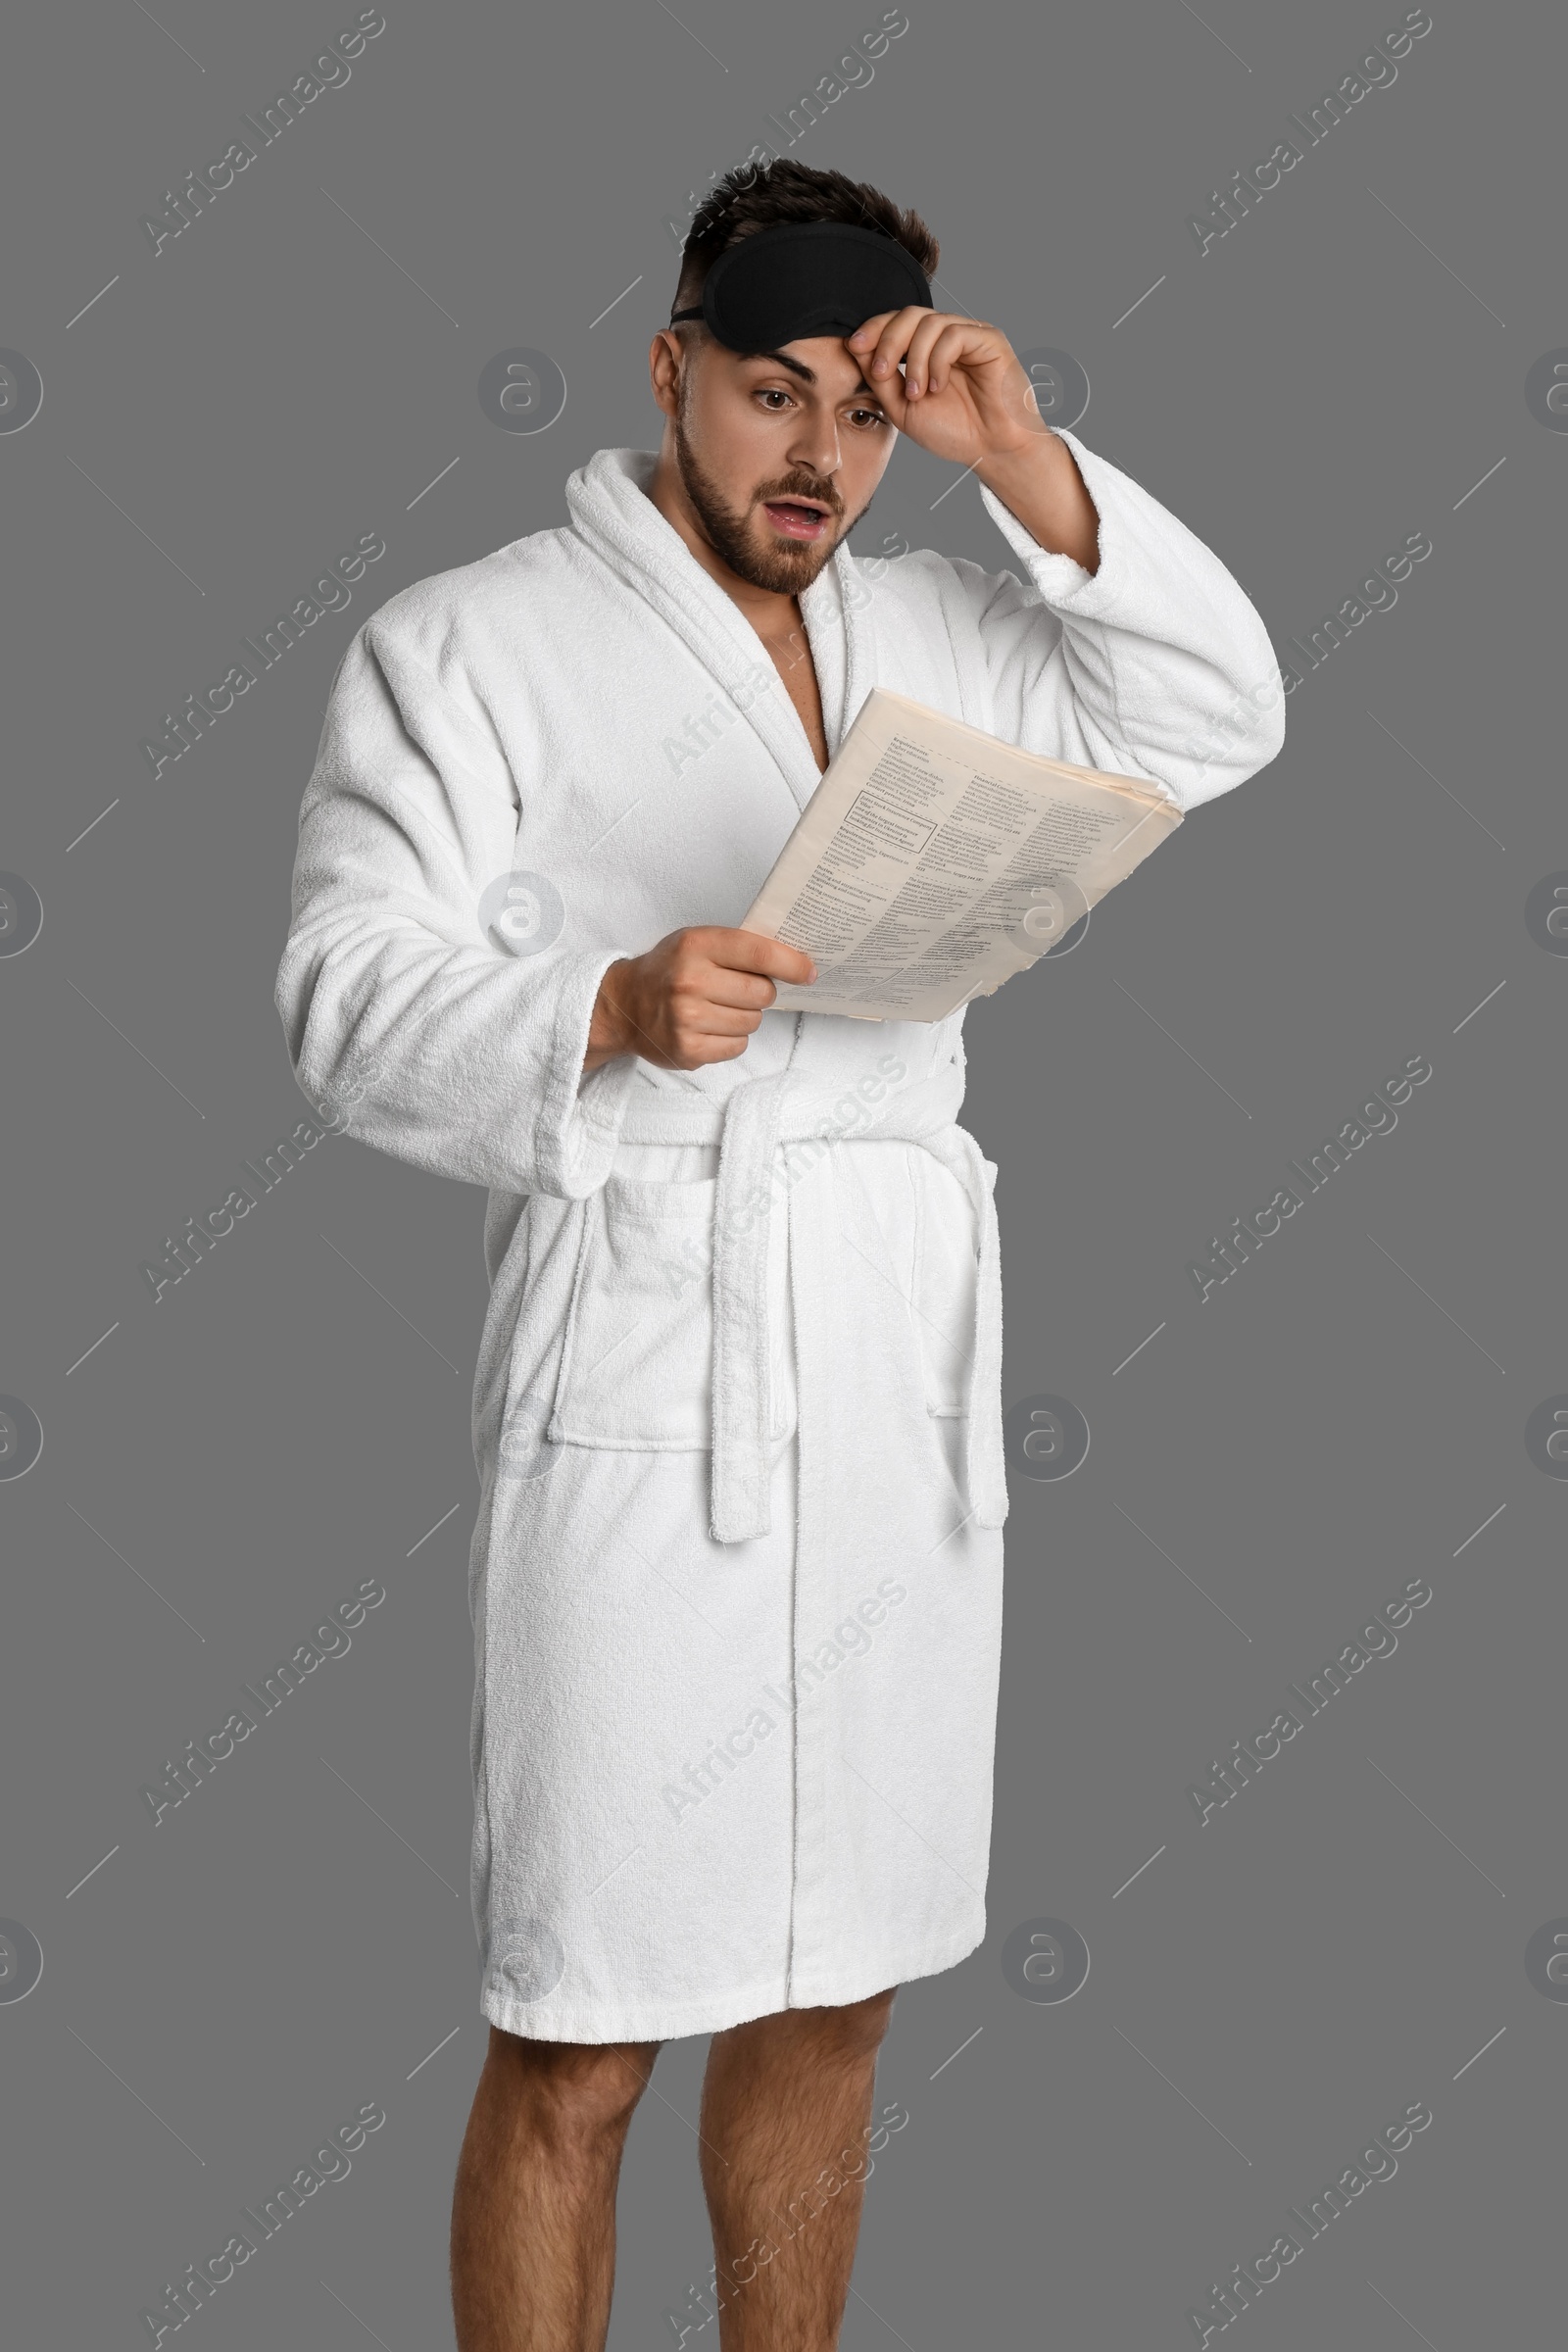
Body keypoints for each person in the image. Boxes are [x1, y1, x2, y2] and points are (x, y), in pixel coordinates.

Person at [273, 158, 1284, 2351]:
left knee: (835, 2002)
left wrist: (1019, 459)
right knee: (583, 2023)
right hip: (650, 1373)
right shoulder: (466, 642)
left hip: (887, 1384)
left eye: (861, 409)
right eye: (767, 395)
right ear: (668, 372)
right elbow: (338, 995)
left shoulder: (937, 625)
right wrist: (598, 1014)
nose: (816, 457)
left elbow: (1214, 719)